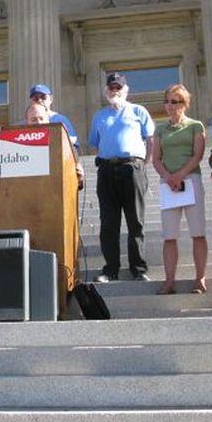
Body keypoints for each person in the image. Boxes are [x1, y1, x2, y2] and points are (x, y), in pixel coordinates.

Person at [88, 72, 154, 282]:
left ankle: (138, 268)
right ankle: (110, 269)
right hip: (107, 170)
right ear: (106, 91)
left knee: (136, 221)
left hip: (132, 168)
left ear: (126, 90)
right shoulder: (99, 115)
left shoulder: (138, 111)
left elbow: (151, 139)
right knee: (108, 222)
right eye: (111, 87)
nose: (114, 91)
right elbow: (94, 144)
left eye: (118, 87)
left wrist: (145, 163)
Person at [151, 84, 208, 295]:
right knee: (169, 235)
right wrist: (168, 177)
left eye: (175, 101)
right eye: (167, 101)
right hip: (168, 183)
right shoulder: (160, 129)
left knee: (198, 232)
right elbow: (155, 158)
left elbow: (198, 155)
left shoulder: (195, 126)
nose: (170, 106)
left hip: (191, 180)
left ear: (184, 104)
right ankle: (169, 281)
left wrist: (180, 175)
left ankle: (200, 279)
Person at [26, 101, 84, 183]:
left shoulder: (62, 142)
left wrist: (79, 177)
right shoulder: (17, 145)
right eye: (33, 120)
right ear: (27, 122)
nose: (38, 123)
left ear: (48, 120)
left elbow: (75, 175)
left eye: (41, 118)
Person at [29, 84, 80, 150]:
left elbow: (73, 145)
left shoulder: (61, 120)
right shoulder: (26, 121)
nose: (39, 100)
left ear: (51, 99)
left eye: (43, 97)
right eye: (35, 98)